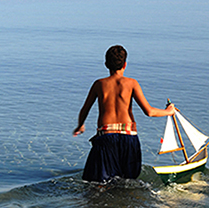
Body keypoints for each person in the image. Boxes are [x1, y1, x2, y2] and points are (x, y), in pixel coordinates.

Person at [73, 45, 175, 182]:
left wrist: (80, 125)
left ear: (106, 64)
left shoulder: (99, 84)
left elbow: (85, 109)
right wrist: (169, 112)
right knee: (129, 181)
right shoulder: (132, 83)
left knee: (98, 183)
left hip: (106, 137)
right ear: (125, 64)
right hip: (129, 138)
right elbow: (149, 112)